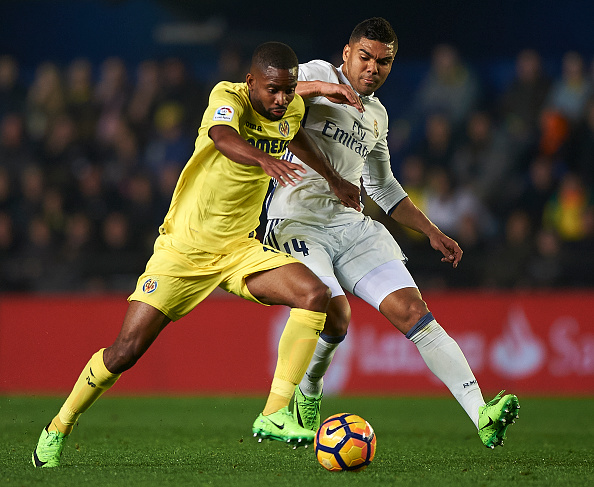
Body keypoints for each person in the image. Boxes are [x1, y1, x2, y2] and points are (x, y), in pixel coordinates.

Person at [32, 41, 361, 468]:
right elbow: (221, 137)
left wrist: (333, 178)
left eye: (288, 90)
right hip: (184, 250)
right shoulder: (227, 97)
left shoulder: (290, 107)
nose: (280, 100)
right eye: (272, 91)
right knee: (125, 352)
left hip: (239, 249)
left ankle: (275, 412)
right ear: (250, 83)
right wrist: (263, 159)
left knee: (315, 295)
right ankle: (58, 426)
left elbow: (294, 134)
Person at [264, 18, 520, 449]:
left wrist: (432, 230)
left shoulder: (376, 115)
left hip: (348, 223)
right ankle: (305, 393)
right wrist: (322, 90)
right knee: (333, 312)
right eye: (364, 57)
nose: (372, 68)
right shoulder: (314, 74)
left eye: (383, 62)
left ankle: (482, 414)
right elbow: (272, 96)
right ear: (346, 53)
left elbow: (382, 186)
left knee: (413, 311)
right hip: (294, 218)